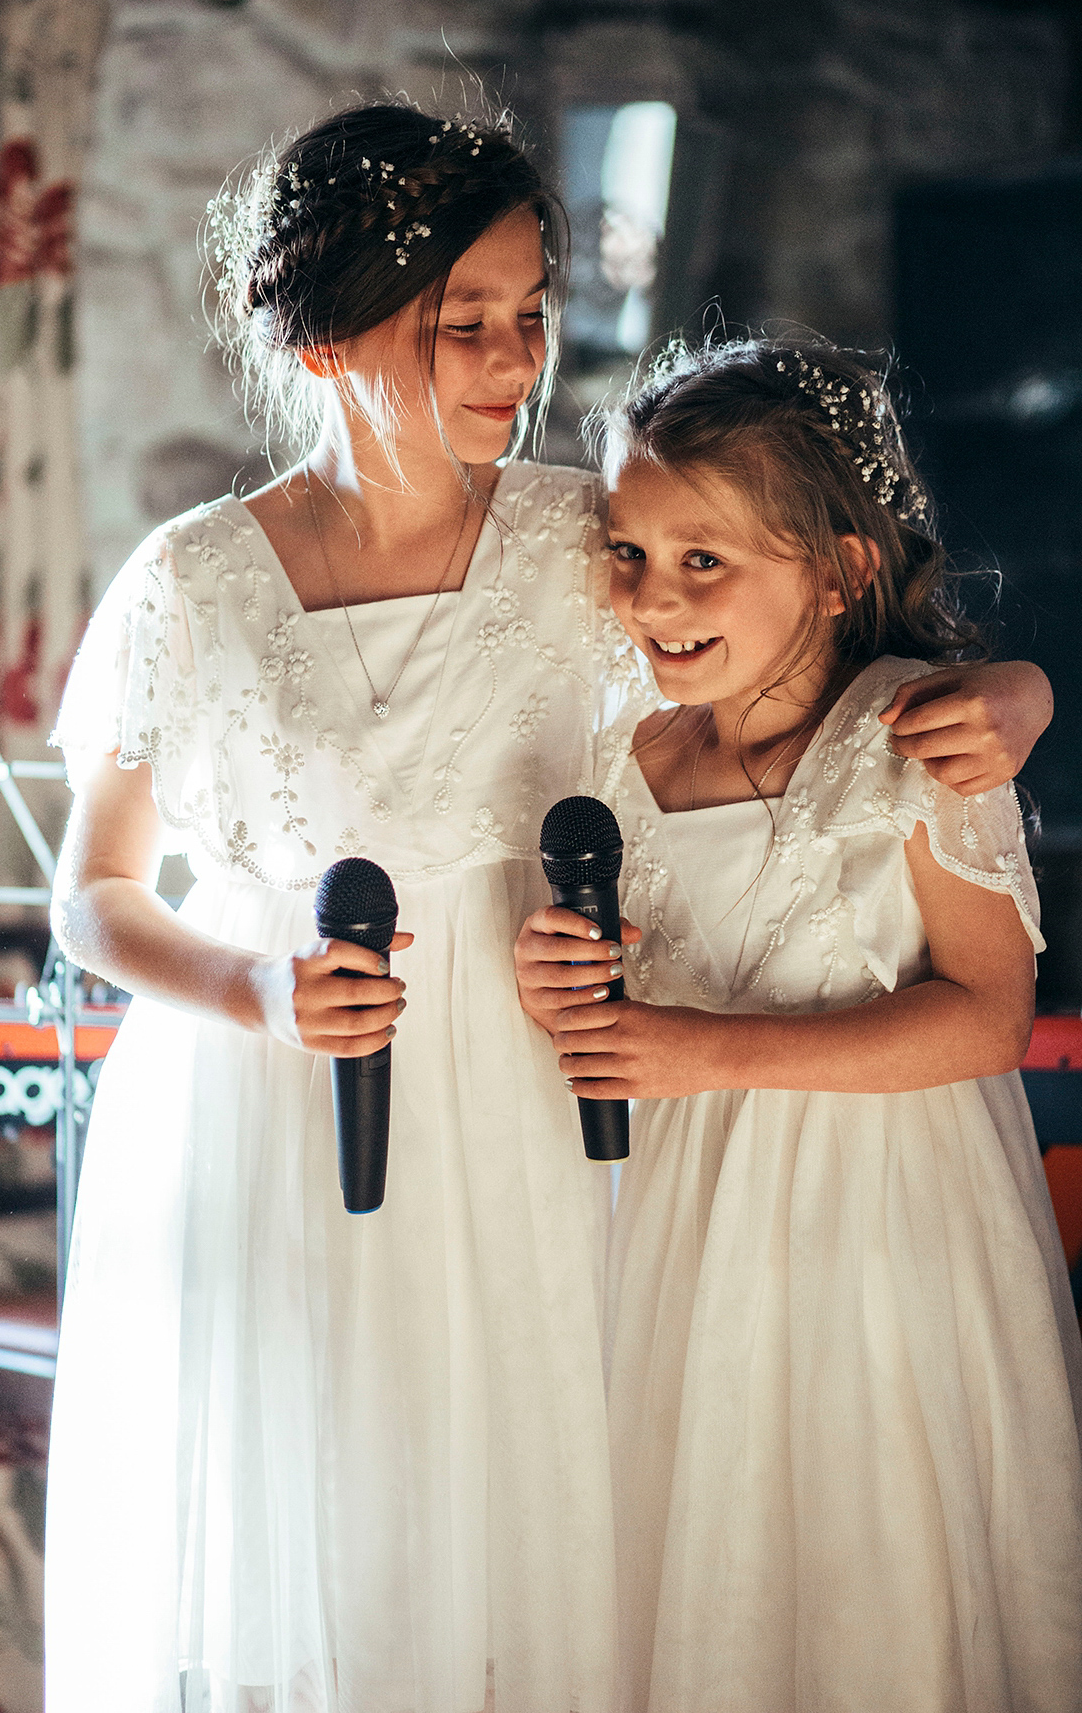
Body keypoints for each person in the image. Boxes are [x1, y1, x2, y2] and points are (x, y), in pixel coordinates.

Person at [44, 98, 1051, 1713]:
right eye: (465, 323)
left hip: (532, 1085)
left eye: (534, 315)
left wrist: (1008, 689)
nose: (515, 360)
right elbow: (90, 897)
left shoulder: (578, 537)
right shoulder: (190, 584)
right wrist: (253, 990)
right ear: (324, 331)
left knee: (531, 1507)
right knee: (304, 1495)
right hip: (275, 1082)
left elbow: (798, 642)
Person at [515, 336, 1082, 1713]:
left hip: (877, 1229)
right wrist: (554, 986)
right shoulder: (625, 761)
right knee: (692, 1545)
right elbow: (609, 987)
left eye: (707, 560)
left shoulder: (921, 737)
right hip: (672, 1230)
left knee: (863, 1549)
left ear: (839, 568)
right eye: (635, 554)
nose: (657, 597)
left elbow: (987, 1016)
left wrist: (709, 1053)